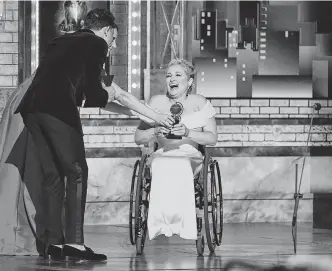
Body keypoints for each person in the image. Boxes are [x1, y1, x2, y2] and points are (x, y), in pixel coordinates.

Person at [0, 8, 173, 261]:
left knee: (53, 177)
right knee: (78, 172)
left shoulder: (63, 42)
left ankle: (53, 244)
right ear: (106, 31)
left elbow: (108, 93)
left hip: (31, 110)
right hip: (57, 110)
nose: (112, 46)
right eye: (113, 39)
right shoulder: (95, 45)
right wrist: (110, 98)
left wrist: (144, 115)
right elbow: (96, 94)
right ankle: (75, 244)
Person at [134, 59, 217, 240]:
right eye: (169, 75)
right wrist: (155, 131)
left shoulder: (199, 102)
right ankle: (160, 224)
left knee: (180, 166)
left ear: (189, 82)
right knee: (160, 164)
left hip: (190, 154)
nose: (172, 79)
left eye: (178, 75)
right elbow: (138, 137)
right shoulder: (156, 102)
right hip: (163, 153)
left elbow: (212, 138)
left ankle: (183, 223)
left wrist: (189, 132)